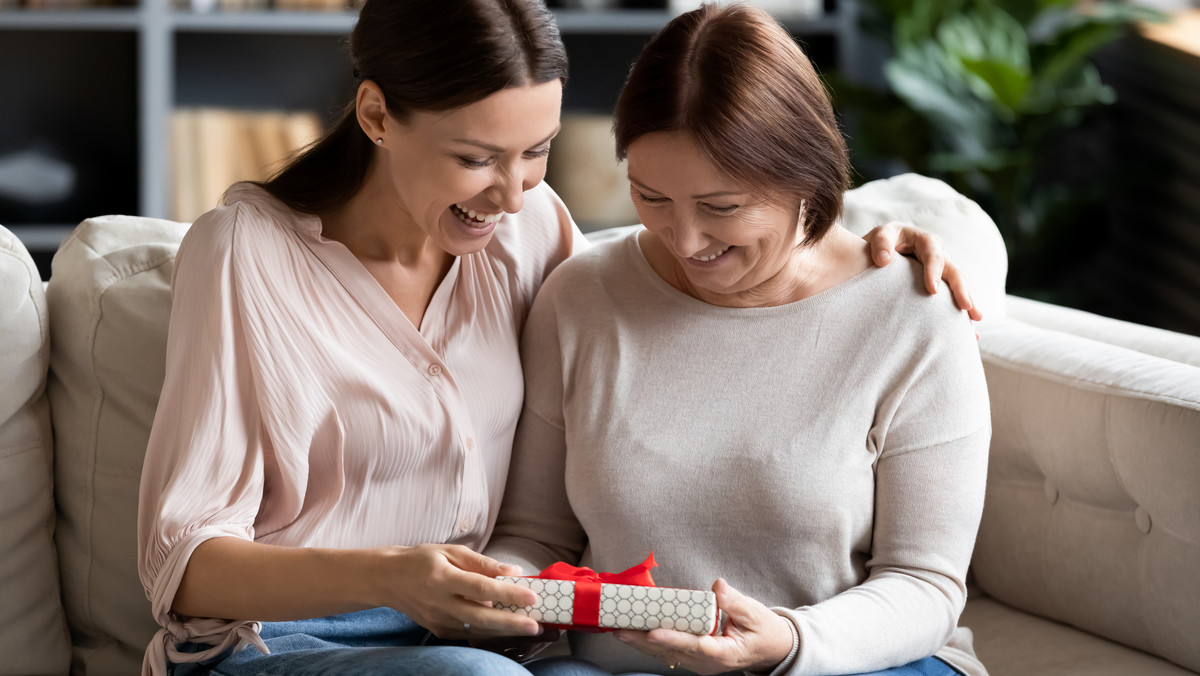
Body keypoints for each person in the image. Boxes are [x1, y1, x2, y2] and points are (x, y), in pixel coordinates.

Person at [137, 1, 979, 675]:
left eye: (537, 151)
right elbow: (181, 561)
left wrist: (888, 235)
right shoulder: (249, 251)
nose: (509, 193)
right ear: (376, 113)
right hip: (292, 637)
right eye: (476, 157)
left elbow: (746, 244)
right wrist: (399, 575)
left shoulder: (531, 232)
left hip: (478, 636)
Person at [485, 4, 991, 676]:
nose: (687, 242)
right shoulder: (580, 298)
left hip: (853, 667)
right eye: (651, 197)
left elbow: (926, 584)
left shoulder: (914, 313)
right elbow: (536, 535)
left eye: (722, 208)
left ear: (806, 178)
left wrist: (787, 640)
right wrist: (497, 592)